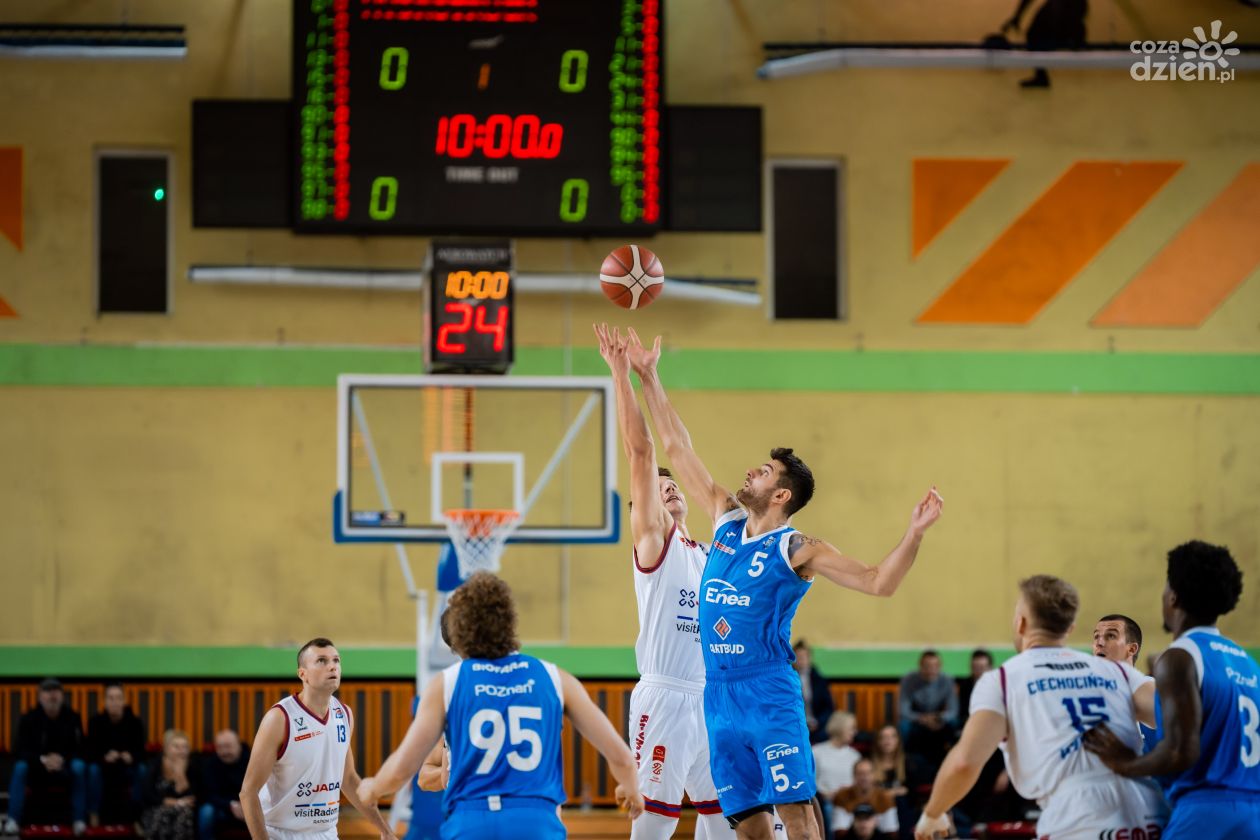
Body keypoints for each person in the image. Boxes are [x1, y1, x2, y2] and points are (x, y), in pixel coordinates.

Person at [626, 328, 944, 840]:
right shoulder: (726, 521)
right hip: (718, 694)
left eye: (766, 471)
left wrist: (913, 534)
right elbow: (675, 446)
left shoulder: (799, 549)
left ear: (781, 495)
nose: (752, 471)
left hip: (768, 691)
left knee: (796, 817)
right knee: (748, 828)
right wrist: (649, 375)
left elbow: (878, 582)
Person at [355, 572, 645, 839]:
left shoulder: (448, 683)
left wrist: (374, 787)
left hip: (471, 821)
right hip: (536, 822)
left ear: (458, 632)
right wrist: (630, 787)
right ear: (509, 622)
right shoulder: (556, 678)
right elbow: (620, 756)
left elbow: (403, 768)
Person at [594, 324, 730, 838]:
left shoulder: (709, 553)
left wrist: (654, 376)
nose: (668, 489)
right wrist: (620, 373)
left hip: (710, 700)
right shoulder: (655, 544)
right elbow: (644, 452)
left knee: (727, 823)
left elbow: (680, 445)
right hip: (666, 699)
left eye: (674, 487)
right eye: (658, 490)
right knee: (653, 828)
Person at [913, 575, 1166, 840]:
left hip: (1078, 816)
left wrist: (933, 813)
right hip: (1148, 809)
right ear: (1069, 628)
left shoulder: (1002, 680)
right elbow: (1186, 721)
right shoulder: (1120, 673)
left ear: (1020, 623)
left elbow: (965, 763)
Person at [1084, 540, 1260, 838]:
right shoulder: (1245, 661)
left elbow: (1180, 752)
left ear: (1173, 597)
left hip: (1204, 811)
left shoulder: (1180, 657)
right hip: (1253, 812)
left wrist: (1125, 763)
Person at [239, 638, 394, 840]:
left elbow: (347, 779)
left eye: (336, 660)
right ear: (303, 674)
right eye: (321, 661)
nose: (332, 666)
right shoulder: (279, 718)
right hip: (280, 834)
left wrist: (385, 830)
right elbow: (248, 792)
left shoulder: (344, 714)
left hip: (326, 833)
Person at [4, 678, 87, 835]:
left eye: (55, 691)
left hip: (64, 769)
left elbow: (81, 750)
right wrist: (43, 760)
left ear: (62, 696)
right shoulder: (28, 718)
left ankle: (79, 820)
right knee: (20, 767)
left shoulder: (73, 718)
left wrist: (61, 759)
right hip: (37, 771)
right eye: (47, 692)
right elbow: (19, 751)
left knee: (80, 766)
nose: (52, 695)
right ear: (40, 696)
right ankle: (13, 820)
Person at [86, 681, 146, 825]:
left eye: (118, 698)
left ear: (124, 701)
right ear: (104, 701)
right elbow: (89, 752)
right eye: (110, 698)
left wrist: (131, 757)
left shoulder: (135, 722)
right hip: (104, 768)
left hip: (126, 768)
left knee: (143, 770)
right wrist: (104, 757)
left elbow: (141, 753)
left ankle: (138, 817)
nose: (114, 702)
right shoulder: (95, 722)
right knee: (92, 770)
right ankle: (93, 813)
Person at [897, 651, 957, 767]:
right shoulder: (908, 680)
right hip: (916, 721)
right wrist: (921, 718)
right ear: (920, 666)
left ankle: (952, 762)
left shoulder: (947, 680)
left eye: (935, 666)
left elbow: (953, 711)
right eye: (927, 666)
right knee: (903, 726)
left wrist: (938, 718)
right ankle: (906, 762)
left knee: (955, 723)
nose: (931, 670)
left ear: (940, 666)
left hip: (938, 721)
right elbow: (903, 711)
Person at [140, 729, 201, 840]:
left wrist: (180, 775)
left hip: (184, 810)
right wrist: (172, 802)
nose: (181, 751)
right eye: (176, 747)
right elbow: (147, 795)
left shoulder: (194, 765)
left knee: (185, 813)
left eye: (185, 747)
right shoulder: (155, 764)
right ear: (166, 749)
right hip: (155, 807)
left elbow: (192, 798)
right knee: (162, 814)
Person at [811, 712, 861, 836]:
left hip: (850, 801)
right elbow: (810, 781)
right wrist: (825, 794)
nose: (855, 732)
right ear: (840, 728)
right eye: (851, 728)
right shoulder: (817, 752)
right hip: (825, 801)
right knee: (828, 809)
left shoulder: (855, 756)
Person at [198, 730, 249, 840]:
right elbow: (209, 794)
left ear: (239, 746)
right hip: (223, 807)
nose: (225, 751)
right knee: (206, 812)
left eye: (228, 746)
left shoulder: (252, 760)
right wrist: (231, 805)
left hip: (250, 805)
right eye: (220, 747)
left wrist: (246, 804)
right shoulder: (210, 764)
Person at [832, 760, 897, 837]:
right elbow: (840, 832)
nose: (864, 777)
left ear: (874, 775)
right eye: (860, 774)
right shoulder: (842, 796)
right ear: (854, 776)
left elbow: (891, 832)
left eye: (868, 773)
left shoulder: (885, 798)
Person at [792, 641, 834, 745]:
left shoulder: (819, 679)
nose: (801, 660)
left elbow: (828, 707)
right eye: (797, 656)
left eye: (804, 656)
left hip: (816, 725)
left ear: (809, 658)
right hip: (794, 724)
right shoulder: (787, 679)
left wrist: (817, 722)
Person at [955, 650, 993, 727]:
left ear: (990, 668)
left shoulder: (998, 687)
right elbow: (962, 711)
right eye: (975, 667)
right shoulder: (964, 686)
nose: (978, 671)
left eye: (982, 668)